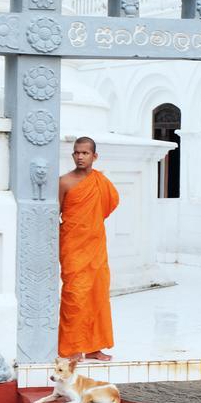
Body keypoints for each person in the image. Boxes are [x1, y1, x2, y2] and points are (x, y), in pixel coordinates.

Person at [58, 137, 119, 362]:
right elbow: (55, 213)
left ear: (94, 156)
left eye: (85, 153)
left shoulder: (100, 182)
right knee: (74, 296)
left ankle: (94, 347)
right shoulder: (64, 182)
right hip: (73, 247)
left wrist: (89, 224)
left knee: (97, 295)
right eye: (76, 153)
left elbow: (109, 204)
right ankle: (72, 348)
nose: (80, 157)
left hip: (95, 246)